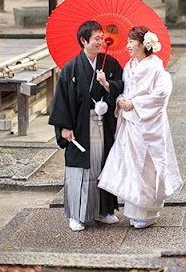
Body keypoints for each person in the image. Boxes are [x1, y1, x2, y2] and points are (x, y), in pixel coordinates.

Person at [98, 26, 182, 228]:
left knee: (147, 166)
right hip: (131, 122)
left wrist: (134, 103)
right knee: (132, 165)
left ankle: (147, 213)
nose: (127, 45)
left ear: (144, 44)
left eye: (130, 41)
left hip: (148, 123)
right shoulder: (130, 65)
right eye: (127, 41)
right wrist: (116, 95)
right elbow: (125, 90)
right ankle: (134, 211)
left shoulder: (155, 66)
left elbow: (161, 94)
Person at [49, 20, 124, 231]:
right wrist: (64, 127)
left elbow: (121, 86)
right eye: (96, 38)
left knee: (102, 165)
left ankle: (104, 210)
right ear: (84, 40)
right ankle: (76, 215)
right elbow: (62, 99)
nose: (101, 42)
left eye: (102, 38)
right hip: (80, 125)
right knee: (80, 170)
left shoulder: (110, 64)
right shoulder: (71, 68)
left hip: (102, 121)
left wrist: (107, 90)